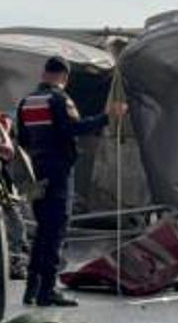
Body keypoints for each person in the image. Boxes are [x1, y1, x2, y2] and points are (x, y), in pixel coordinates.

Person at [15, 56, 126, 306]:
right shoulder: (59, 99)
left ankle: (31, 289)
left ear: (44, 74)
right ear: (65, 78)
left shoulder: (26, 102)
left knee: (43, 231)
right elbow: (73, 129)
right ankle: (48, 291)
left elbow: (22, 139)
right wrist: (108, 116)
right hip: (58, 173)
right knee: (55, 233)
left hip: (36, 174)